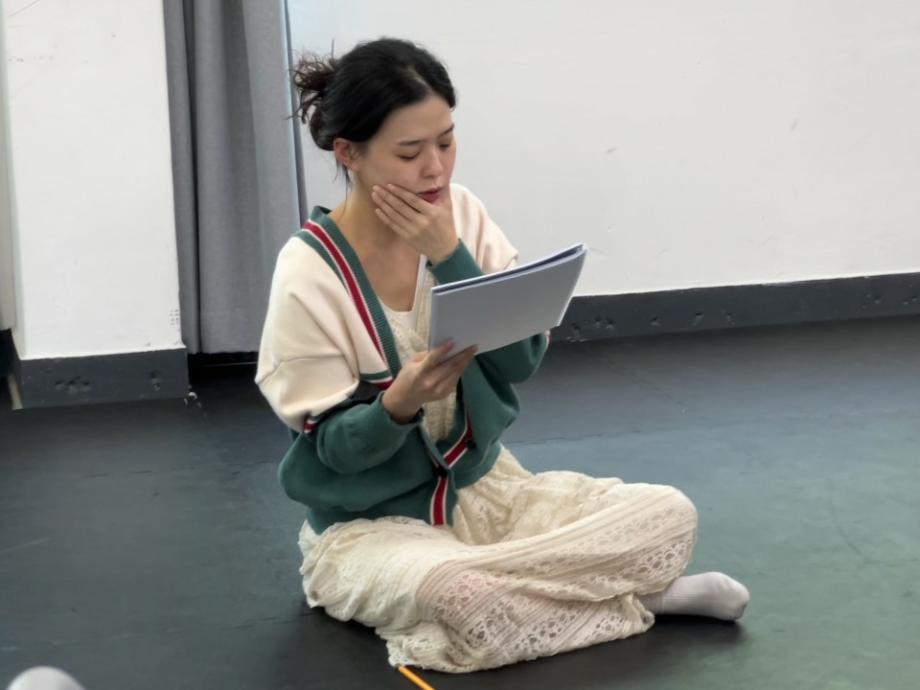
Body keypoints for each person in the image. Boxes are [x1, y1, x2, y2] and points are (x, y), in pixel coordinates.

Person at [255, 37, 749, 673]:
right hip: (369, 529)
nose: (435, 169)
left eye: (446, 142)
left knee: (668, 514)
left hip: (484, 495)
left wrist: (449, 255)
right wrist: (399, 404)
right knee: (461, 593)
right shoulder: (308, 271)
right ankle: (638, 596)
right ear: (348, 153)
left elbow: (519, 365)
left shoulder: (461, 216)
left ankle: (548, 599)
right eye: (409, 152)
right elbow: (335, 453)